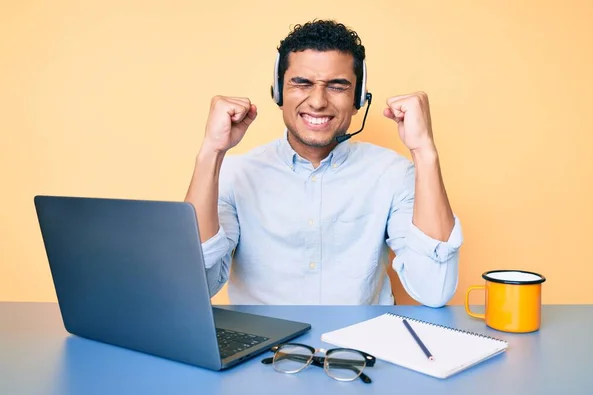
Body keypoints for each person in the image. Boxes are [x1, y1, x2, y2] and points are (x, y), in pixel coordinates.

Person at [185, 20, 463, 306]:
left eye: (337, 86)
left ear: (358, 98)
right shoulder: (235, 173)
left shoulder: (393, 174)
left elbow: (434, 290)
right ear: (279, 93)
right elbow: (193, 283)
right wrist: (211, 152)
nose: (317, 102)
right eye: (301, 83)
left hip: (358, 346)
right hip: (264, 345)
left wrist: (424, 151)